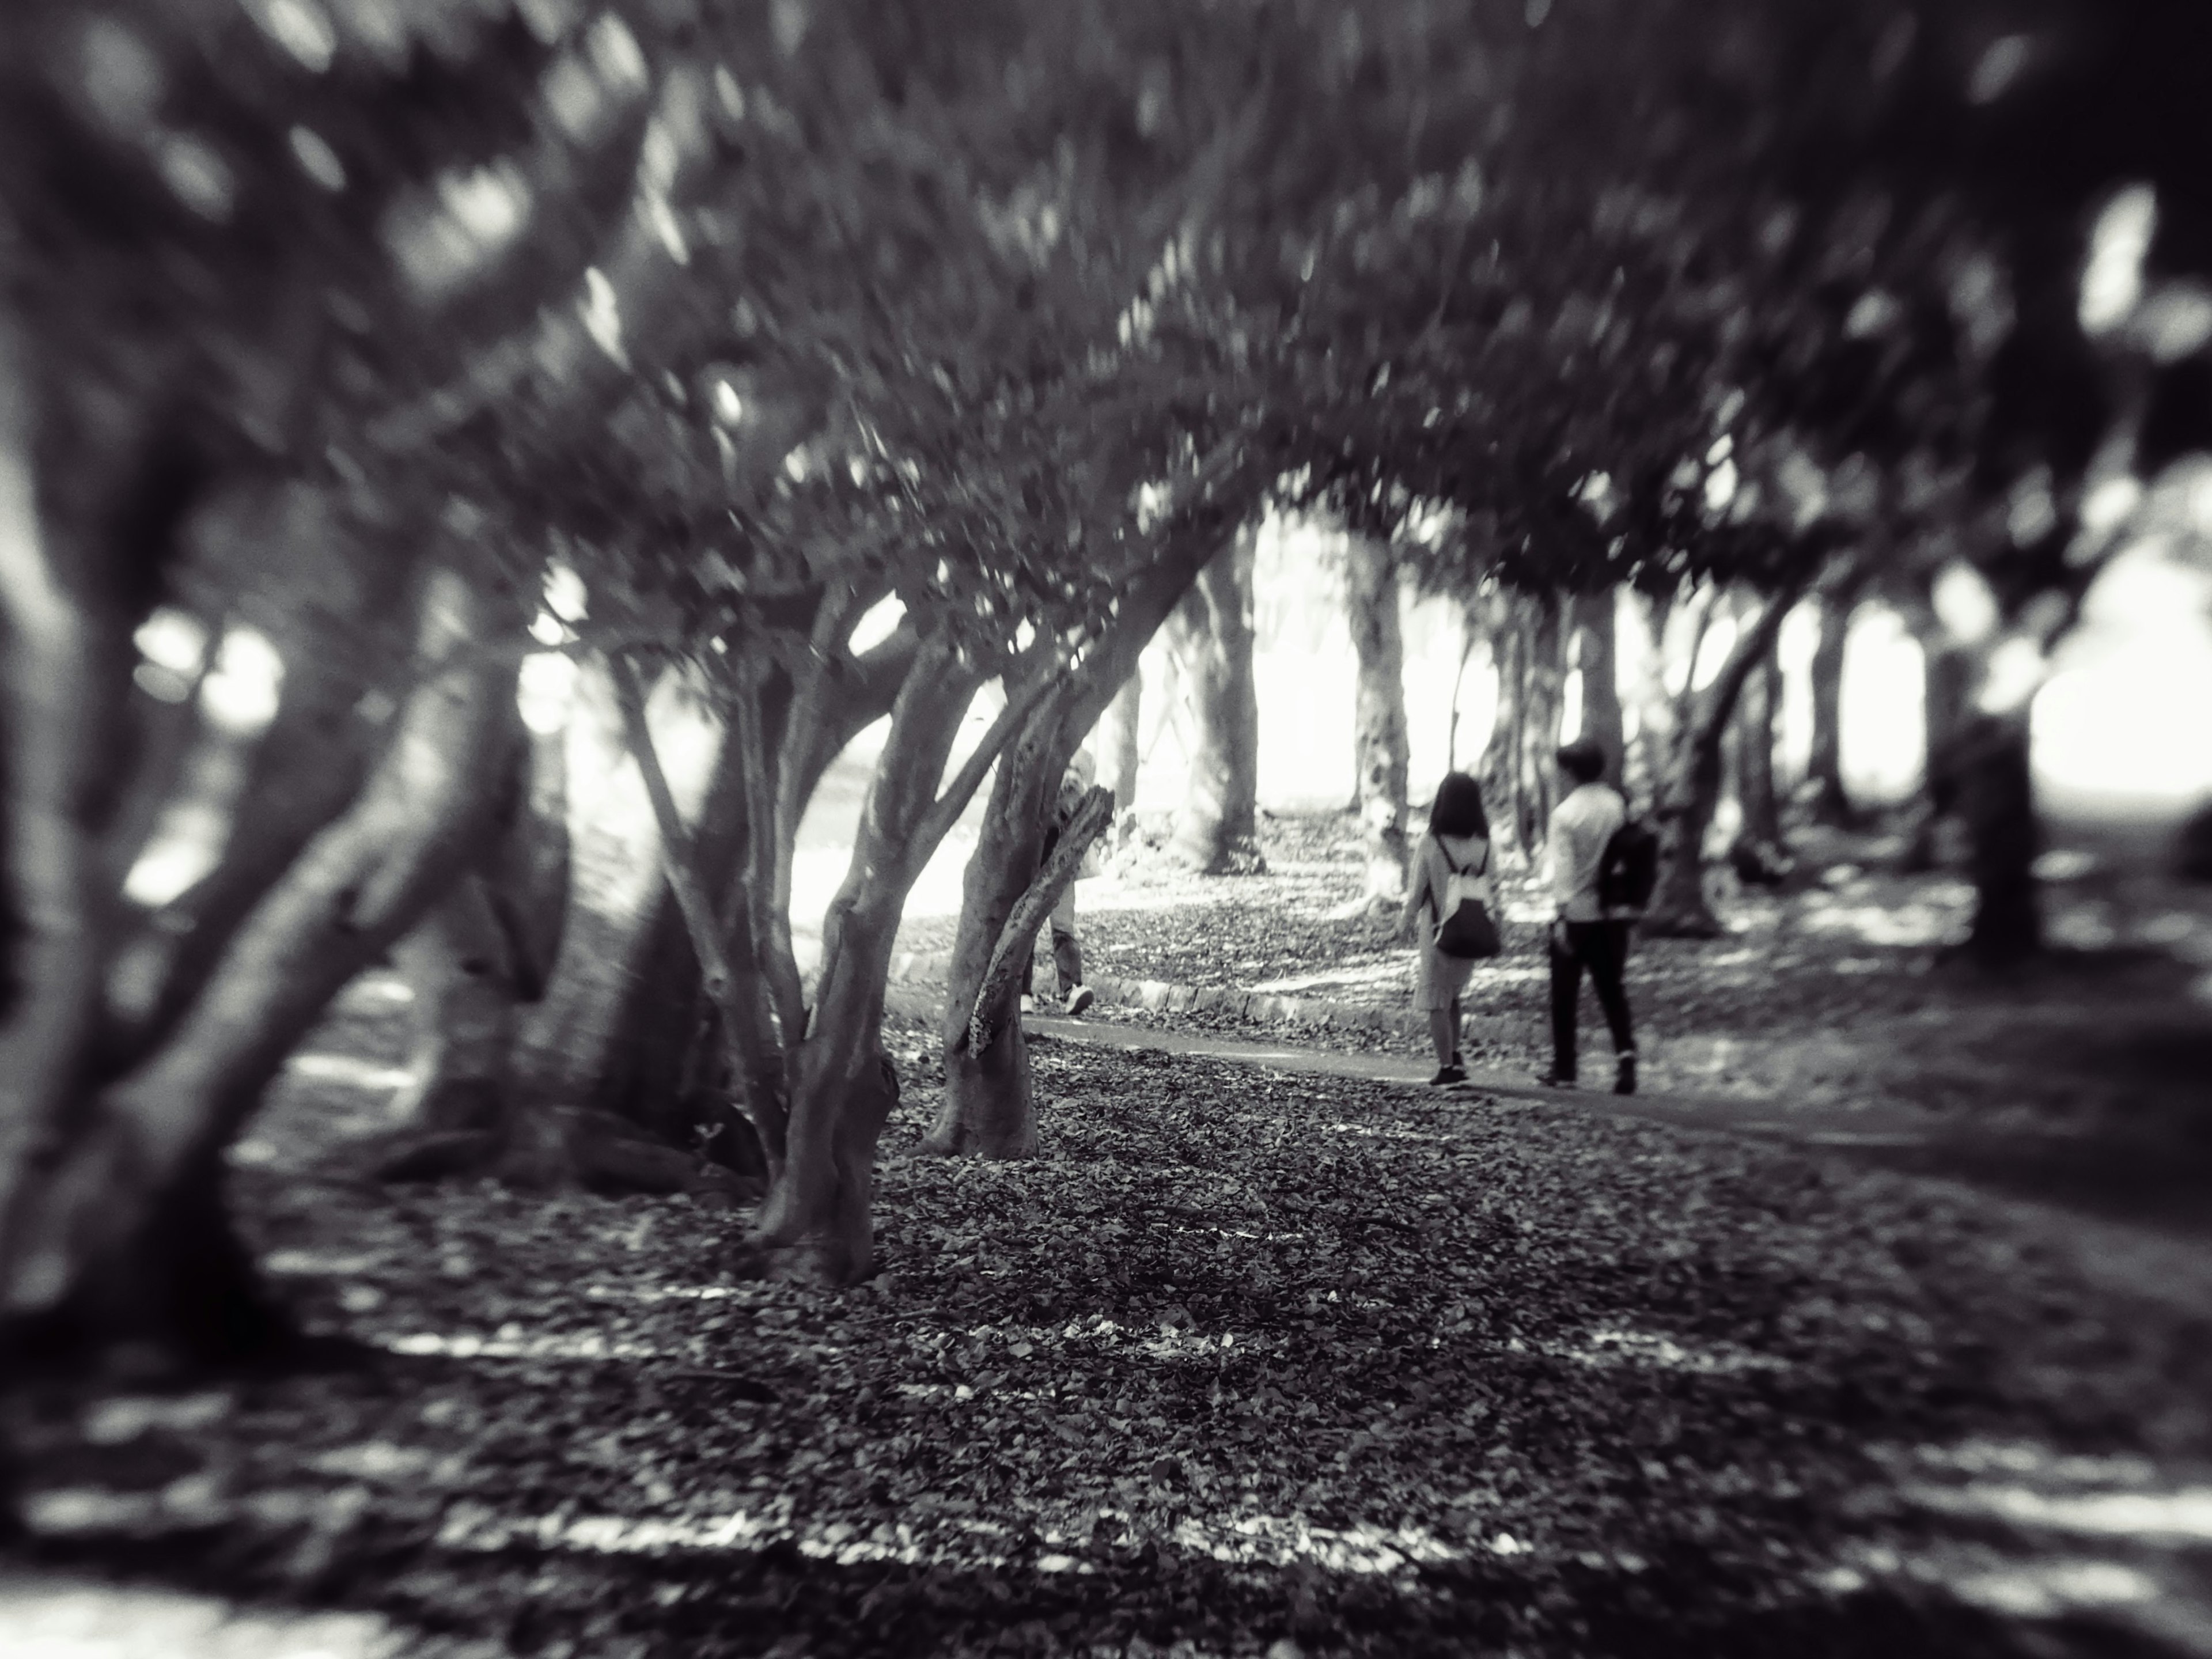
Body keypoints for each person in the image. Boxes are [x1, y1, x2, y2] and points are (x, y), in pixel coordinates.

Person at [1539, 738, 1637, 1094]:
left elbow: (1563, 871)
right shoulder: (1618, 805)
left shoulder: (1565, 814)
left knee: (1564, 993)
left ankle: (1565, 1068)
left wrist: (1561, 916)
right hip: (1614, 912)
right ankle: (1626, 1059)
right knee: (1613, 990)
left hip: (1578, 914)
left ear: (1570, 772)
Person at [1396, 771, 1495, 1086]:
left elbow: (1416, 893)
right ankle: (1455, 1054)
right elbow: (1495, 889)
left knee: (1435, 1000)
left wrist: (1403, 924)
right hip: (1473, 931)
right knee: (1451, 995)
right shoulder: (1485, 844)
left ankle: (1447, 1066)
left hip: (1439, 933)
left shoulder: (1431, 842)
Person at [1024, 748, 1098, 1016]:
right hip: (1032, 860)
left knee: (1064, 928)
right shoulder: (1036, 749)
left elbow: (1082, 807)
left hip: (1062, 864)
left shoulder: (1079, 758)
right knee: (1026, 928)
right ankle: (1022, 992)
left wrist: (1073, 782)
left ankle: (1072, 989)